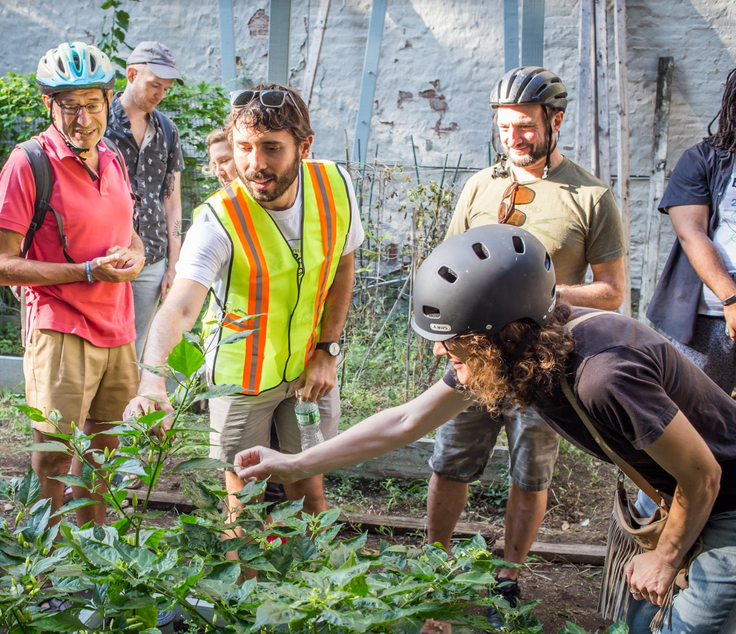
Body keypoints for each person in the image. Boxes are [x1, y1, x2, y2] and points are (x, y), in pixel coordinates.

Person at [236, 224, 736, 634]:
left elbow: (705, 477)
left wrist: (667, 557)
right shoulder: (525, 351)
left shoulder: (603, 376)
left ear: (500, 336)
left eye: (450, 342)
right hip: (671, 488)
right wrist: (294, 463)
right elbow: (407, 420)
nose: (439, 353)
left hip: (722, 500)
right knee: (637, 620)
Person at [429, 66, 627, 625]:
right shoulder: (479, 186)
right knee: (449, 461)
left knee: (529, 470)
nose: (512, 138)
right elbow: (449, 266)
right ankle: (434, 561)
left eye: (523, 127)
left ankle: (508, 577)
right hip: (474, 356)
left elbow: (612, 291)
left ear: (554, 121)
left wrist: (533, 288)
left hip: (543, 361)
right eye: (504, 127)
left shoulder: (590, 196)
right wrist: (447, 332)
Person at [125, 84, 364, 528]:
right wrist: (152, 385)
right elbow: (178, 309)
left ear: (304, 146)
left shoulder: (335, 185)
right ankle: (246, 594)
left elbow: (342, 270)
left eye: (272, 148)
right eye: (244, 148)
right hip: (239, 378)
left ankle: (313, 590)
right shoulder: (217, 220)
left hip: (309, 369)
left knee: (309, 490)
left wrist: (327, 351)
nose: (255, 164)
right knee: (245, 503)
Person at [0, 42, 144, 528]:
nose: (83, 118)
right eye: (69, 105)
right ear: (47, 104)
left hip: (118, 326)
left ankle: (94, 554)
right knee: (54, 454)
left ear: (109, 102)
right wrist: (87, 271)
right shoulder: (28, 163)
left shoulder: (113, 156)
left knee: (105, 449)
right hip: (59, 326)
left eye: (93, 104)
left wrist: (135, 254)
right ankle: (44, 561)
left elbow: (128, 232)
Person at [648, 66, 736, 395]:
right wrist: (732, 299)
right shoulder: (702, 159)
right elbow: (691, 233)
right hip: (709, 316)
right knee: (695, 412)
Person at [105, 41, 184, 361]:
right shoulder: (97, 123)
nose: (159, 94)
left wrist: (174, 266)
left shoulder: (167, 129)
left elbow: (173, 203)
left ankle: (129, 413)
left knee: (136, 352)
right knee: (102, 347)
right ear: (131, 74)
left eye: (165, 89)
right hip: (105, 254)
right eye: (154, 85)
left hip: (151, 258)